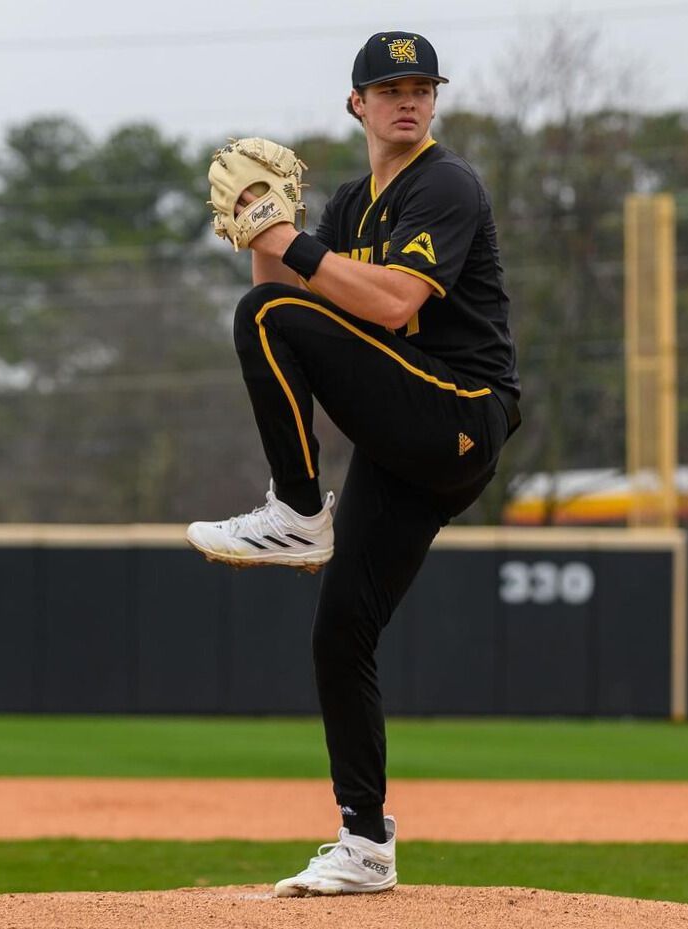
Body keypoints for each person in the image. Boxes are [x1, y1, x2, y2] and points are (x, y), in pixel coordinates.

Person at [186, 30, 520, 897]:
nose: (408, 100)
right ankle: (365, 843)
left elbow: (396, 301)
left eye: (421, 87)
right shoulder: (350, 203)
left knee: (263, 318)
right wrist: (259, 227)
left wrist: (290, 239)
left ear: (435, 100)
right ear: (356, 104)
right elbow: (287, 292)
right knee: (341, 630)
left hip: (458, 410)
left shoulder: (444, 183)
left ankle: (298, 511)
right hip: (405, 442)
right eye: (390, 88)